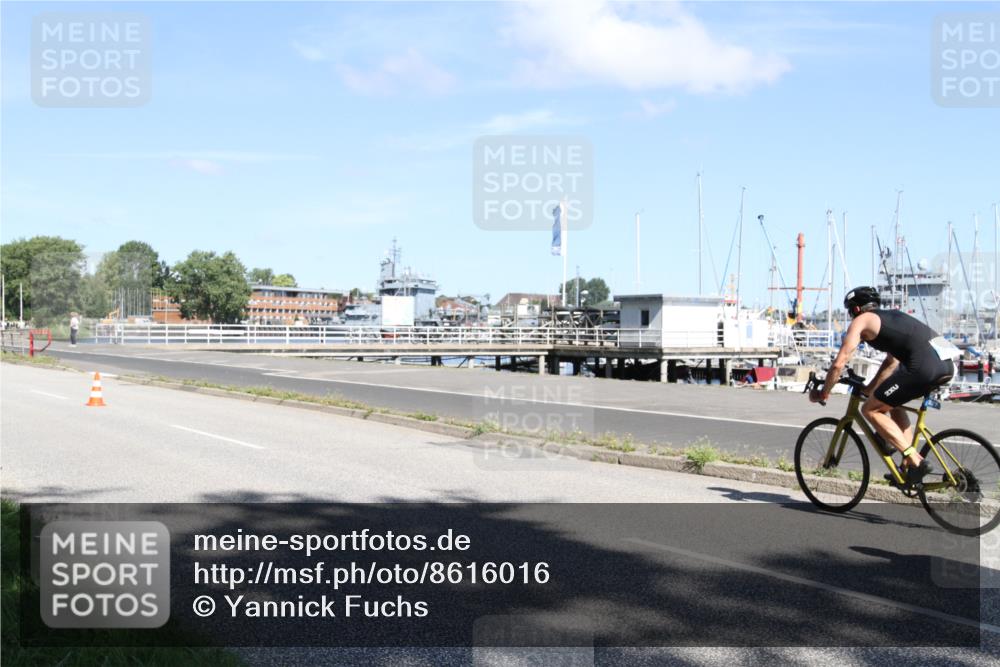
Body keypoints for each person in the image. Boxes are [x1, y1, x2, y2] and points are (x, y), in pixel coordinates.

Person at [809, 287, 957, 485]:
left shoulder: (862, 320)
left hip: (924, 367)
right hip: (947, 363)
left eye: (850, 311)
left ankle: (914, 460)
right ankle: (908, 468)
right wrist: (869, 389)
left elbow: (839, 362)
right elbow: (891, 363)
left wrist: (824, 393)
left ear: (855, 309)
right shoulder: (893, 316)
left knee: (870, 409)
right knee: (890, 404)